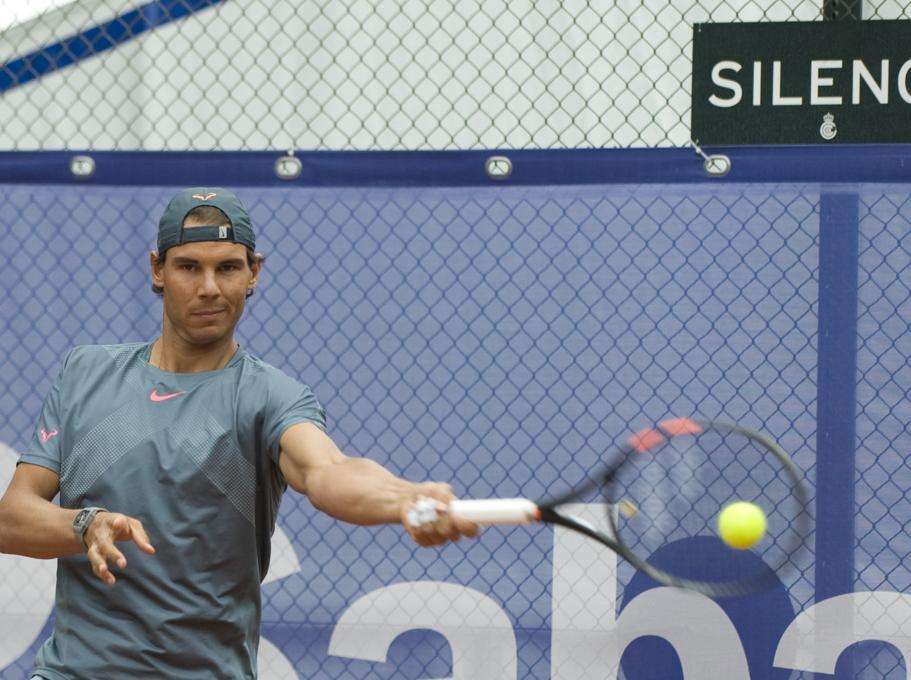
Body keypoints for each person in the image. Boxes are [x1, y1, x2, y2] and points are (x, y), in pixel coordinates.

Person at [0, 187, 478, 679]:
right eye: (189, 267)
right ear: (157, 270)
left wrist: (404, 499)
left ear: (254, 273)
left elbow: (327, 471)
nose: (209, 287)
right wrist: (85, 525)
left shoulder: (271, 397)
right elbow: (11, 519)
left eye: (228, 267)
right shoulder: (85, 374)